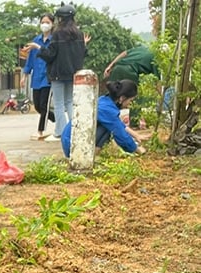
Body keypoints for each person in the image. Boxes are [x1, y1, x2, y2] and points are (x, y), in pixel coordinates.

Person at [26, 3, 89, 142]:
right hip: (73, 74)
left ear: (61, 19)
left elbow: (50, 55)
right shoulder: (78, 34)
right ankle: (74, 130)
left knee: (59, 104)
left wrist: (38, 47)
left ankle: (61, 132)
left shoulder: (58, 34)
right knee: (69, 102)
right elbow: (83, 53)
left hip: (58, 74)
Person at [61, 79, 147, 158]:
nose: (130, 104)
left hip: (69, 140)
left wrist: (136, 135)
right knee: (110, 129)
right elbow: (120, 135)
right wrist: (136, 149)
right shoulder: (107, 110)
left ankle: (93, 155)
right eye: (130, 100)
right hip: (72, 146)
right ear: (122, 98)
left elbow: (119, 124)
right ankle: (90, 156)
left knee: (111, 126)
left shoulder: (104, 101)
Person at [21, 13, 56, 140]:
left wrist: (39, 47)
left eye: (47, 22)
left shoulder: (54, 41)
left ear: (52, 24)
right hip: (36, 78)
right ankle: (57, 119)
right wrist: (24, 76)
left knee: (44, 105)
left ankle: (40, 130)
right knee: (37, 106)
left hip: (48, 78)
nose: (44, 24)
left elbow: (51, 55)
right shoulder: (36, 40)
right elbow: (30, 60)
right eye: (42, 22)